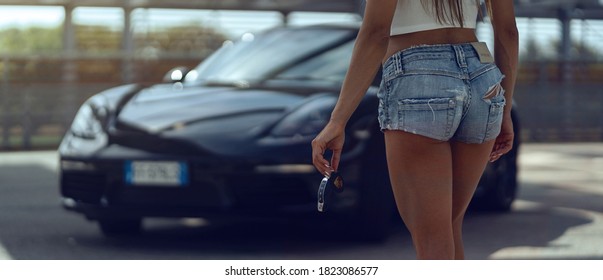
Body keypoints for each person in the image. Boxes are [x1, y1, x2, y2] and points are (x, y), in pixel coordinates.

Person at [311, 0, 518, 260]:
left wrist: (337, 120)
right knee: (448, 229)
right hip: (482, 78)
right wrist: (505, 109)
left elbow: (376, 32)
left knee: (433, 240)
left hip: (417, 76)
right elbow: (508, 31)